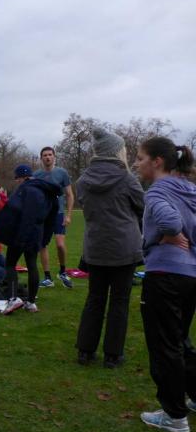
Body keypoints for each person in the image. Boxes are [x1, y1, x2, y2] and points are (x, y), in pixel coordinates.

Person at [134, 137, 196, 432]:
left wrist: (160, 236)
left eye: (140, 158)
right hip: (190, 276)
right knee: (180, 340)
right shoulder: (190, 189)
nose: (136, 164)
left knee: (165, 346)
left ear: (157, 161)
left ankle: (174, 416)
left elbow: (170, 223)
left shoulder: (157, 191)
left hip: (165, 275)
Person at [75, 128, 144, 368]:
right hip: (124, 248)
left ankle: (85, 350)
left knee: (95, 298)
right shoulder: (127, 180)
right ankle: (113, 355)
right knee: (119, 301)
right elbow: (142, 206)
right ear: (116, 152)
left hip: (95, 247)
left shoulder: (83, 181)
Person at [0, 164, 60, 314]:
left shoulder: (27, 190)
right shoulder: (45, 190)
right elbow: (51, 216)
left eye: (17, 179)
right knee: (32, 265)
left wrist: (20, 237)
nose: (17, 182)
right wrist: (45, 236)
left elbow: (24, 214)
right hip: (37, 233)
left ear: (21, 177)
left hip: (22, 232)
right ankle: (31, 302)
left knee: (10, 264)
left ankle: (13, 299)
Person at [34, 147, 74, 288]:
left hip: (58, 214)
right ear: (41, 158)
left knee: (60, 245)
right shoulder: (36, 175)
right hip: (43, 215)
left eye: (50, 155)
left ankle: (62, 272)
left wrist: (68, 215)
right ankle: (47, 278)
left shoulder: (62, 173)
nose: (48, 157)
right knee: (42, 245)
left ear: (54, 157)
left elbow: (69, 195)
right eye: (45, 155)